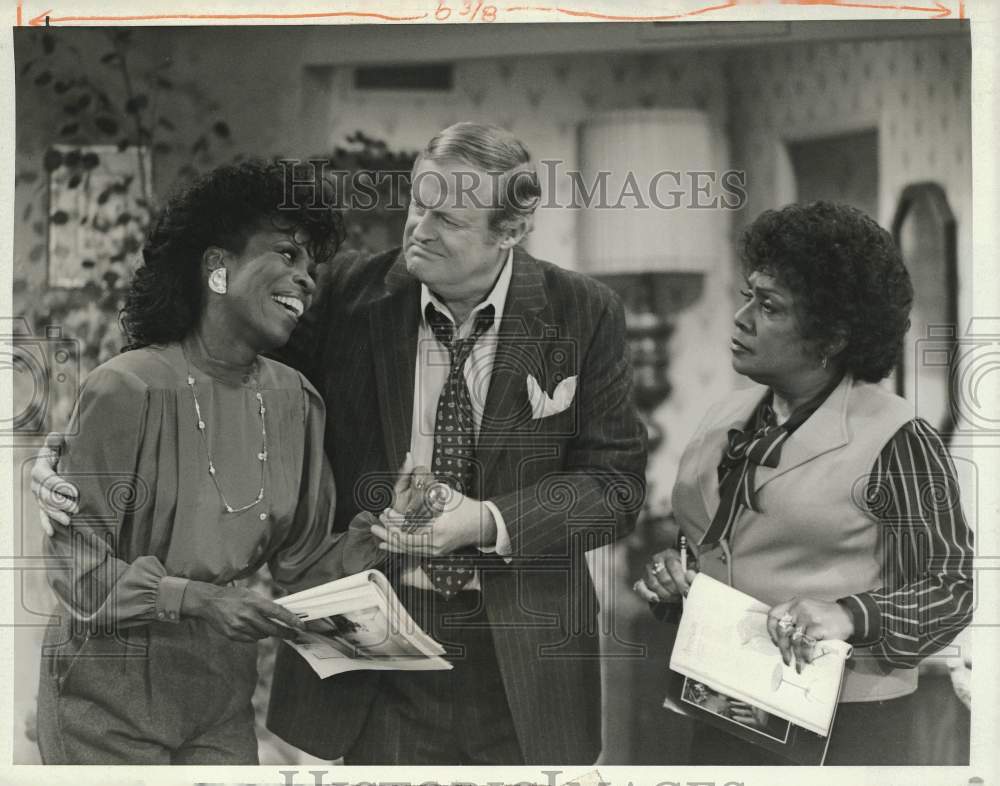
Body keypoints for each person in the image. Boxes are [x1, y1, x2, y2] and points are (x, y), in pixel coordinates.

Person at [264, 122, 648, 764]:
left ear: (512, 231)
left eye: (448, 218)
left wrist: (486, 521)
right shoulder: (345, 295)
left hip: (523, 663)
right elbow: (233, 376)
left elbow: (615, 488)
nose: (419, 228)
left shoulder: (584, 311)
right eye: (418, 203)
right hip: (372, 648)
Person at [30, 160, 370, 764]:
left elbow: (302, 562)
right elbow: (75, 568)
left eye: (311, 267)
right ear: (217, 268)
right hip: (105, 692)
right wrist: (204, 601)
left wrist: (380, 538)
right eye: (287, 255)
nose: (307, 279)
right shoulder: (128, 389)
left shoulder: (296, 399)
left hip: (220, 691)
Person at [637, 201, 974, 765]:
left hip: (844, 730)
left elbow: (954, 588)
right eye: (748, 295)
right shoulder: (724, 419)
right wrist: (676, 580)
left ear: (832, 336)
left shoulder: (898, 437)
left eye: (768, 305)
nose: (741, 318)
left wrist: (848, 614)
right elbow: (712, 547)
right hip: (721, 707)